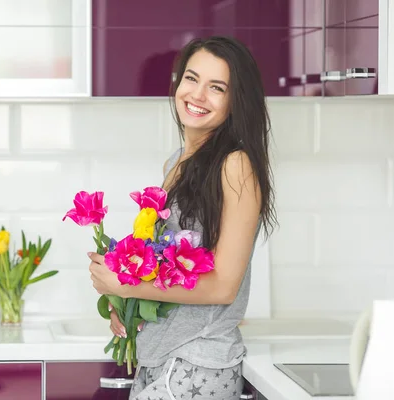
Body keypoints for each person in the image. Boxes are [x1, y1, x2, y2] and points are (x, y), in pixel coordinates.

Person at [88, 36, 277, 400]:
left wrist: (124, 286)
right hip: (161, 359)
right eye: (192, 79)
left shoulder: (236, 165)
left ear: (237, 101)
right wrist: (130, 309)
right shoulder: (176, 163)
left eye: (217, 87)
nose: (198, 95)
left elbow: (223, 287)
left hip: (198, 364)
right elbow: (170, 269)